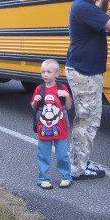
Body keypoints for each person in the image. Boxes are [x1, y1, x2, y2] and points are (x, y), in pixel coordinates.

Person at [66, 0, 110, 180]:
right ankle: (78, 168)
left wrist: (105, 1)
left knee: (87, 119)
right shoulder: (83, 8)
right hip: (85, 73)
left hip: (85, 71)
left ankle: (79, 160)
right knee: (87, 121)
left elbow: (97, 16)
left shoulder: (85, 6)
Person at [31, 59, 73, 189]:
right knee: (43, 155)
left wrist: (67, 95)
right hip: (43, 129)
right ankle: (43, 178)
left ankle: (66, 176)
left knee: (62, 155)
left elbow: (69, 107)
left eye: (48, 72)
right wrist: (35, 101)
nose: (45, 74)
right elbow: (34, 108)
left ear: (57, 73)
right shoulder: (39, 89)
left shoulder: (62, 88)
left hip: (61, 129)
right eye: (43, 72)